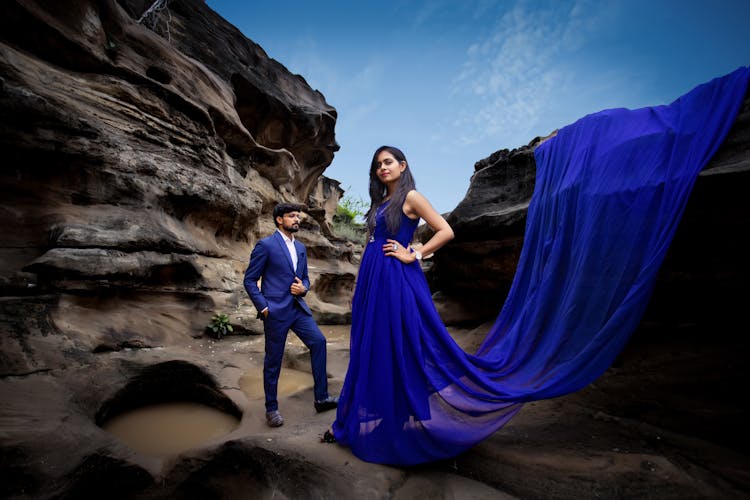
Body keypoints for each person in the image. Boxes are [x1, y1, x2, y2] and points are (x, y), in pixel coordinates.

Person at [244, 203, 338, 427]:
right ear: (279, 219)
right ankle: (271, 409)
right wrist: (264, 307)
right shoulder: (266, 245)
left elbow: (304, 278)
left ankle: (322, 398)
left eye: (298, 216)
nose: (297, 219)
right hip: (275, 311)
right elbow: (249, 280)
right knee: (273, 360)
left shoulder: (302, 248)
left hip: (298, 308)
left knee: (319, 342)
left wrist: (304, 288)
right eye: (292, 216)